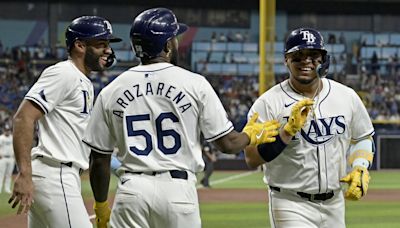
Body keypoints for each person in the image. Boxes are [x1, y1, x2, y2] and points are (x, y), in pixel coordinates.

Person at [83, 7, 280, 228]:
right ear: (167, 46)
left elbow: (99, 159)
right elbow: (228, 144)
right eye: (174, 39)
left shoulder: (112, 90)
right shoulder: (194, 83)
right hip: (177, 191)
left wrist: (101, 206)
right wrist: (251, 135)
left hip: (131, 191)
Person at [244, 28, 375, 228]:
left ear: (323, 59)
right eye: (298, 56)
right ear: (286, 60)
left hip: (335, 203)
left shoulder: (346, 96)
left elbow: (363, 137)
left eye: (313, 55)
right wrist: (286, 132)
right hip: (290, 202)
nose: (306, 61)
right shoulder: (269, 103)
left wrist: (360, 167)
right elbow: (252, 158)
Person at [8, 16, 122, 228]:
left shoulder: (82, 80)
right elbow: (23, 117)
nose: (107, 50)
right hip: (56, 174)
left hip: (59, 175)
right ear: (79, 46)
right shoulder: (63, 73)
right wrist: (24, 173)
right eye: (101, 44)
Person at [0, 124, 14, 194]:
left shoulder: (12, 138)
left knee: (9, 174)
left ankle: (7, 189)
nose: (7, 131)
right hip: (3, 158)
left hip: (11, 158)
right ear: (4, 130)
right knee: (1, 174)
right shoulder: (1, 138)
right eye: (6, 130)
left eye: (8, 130)